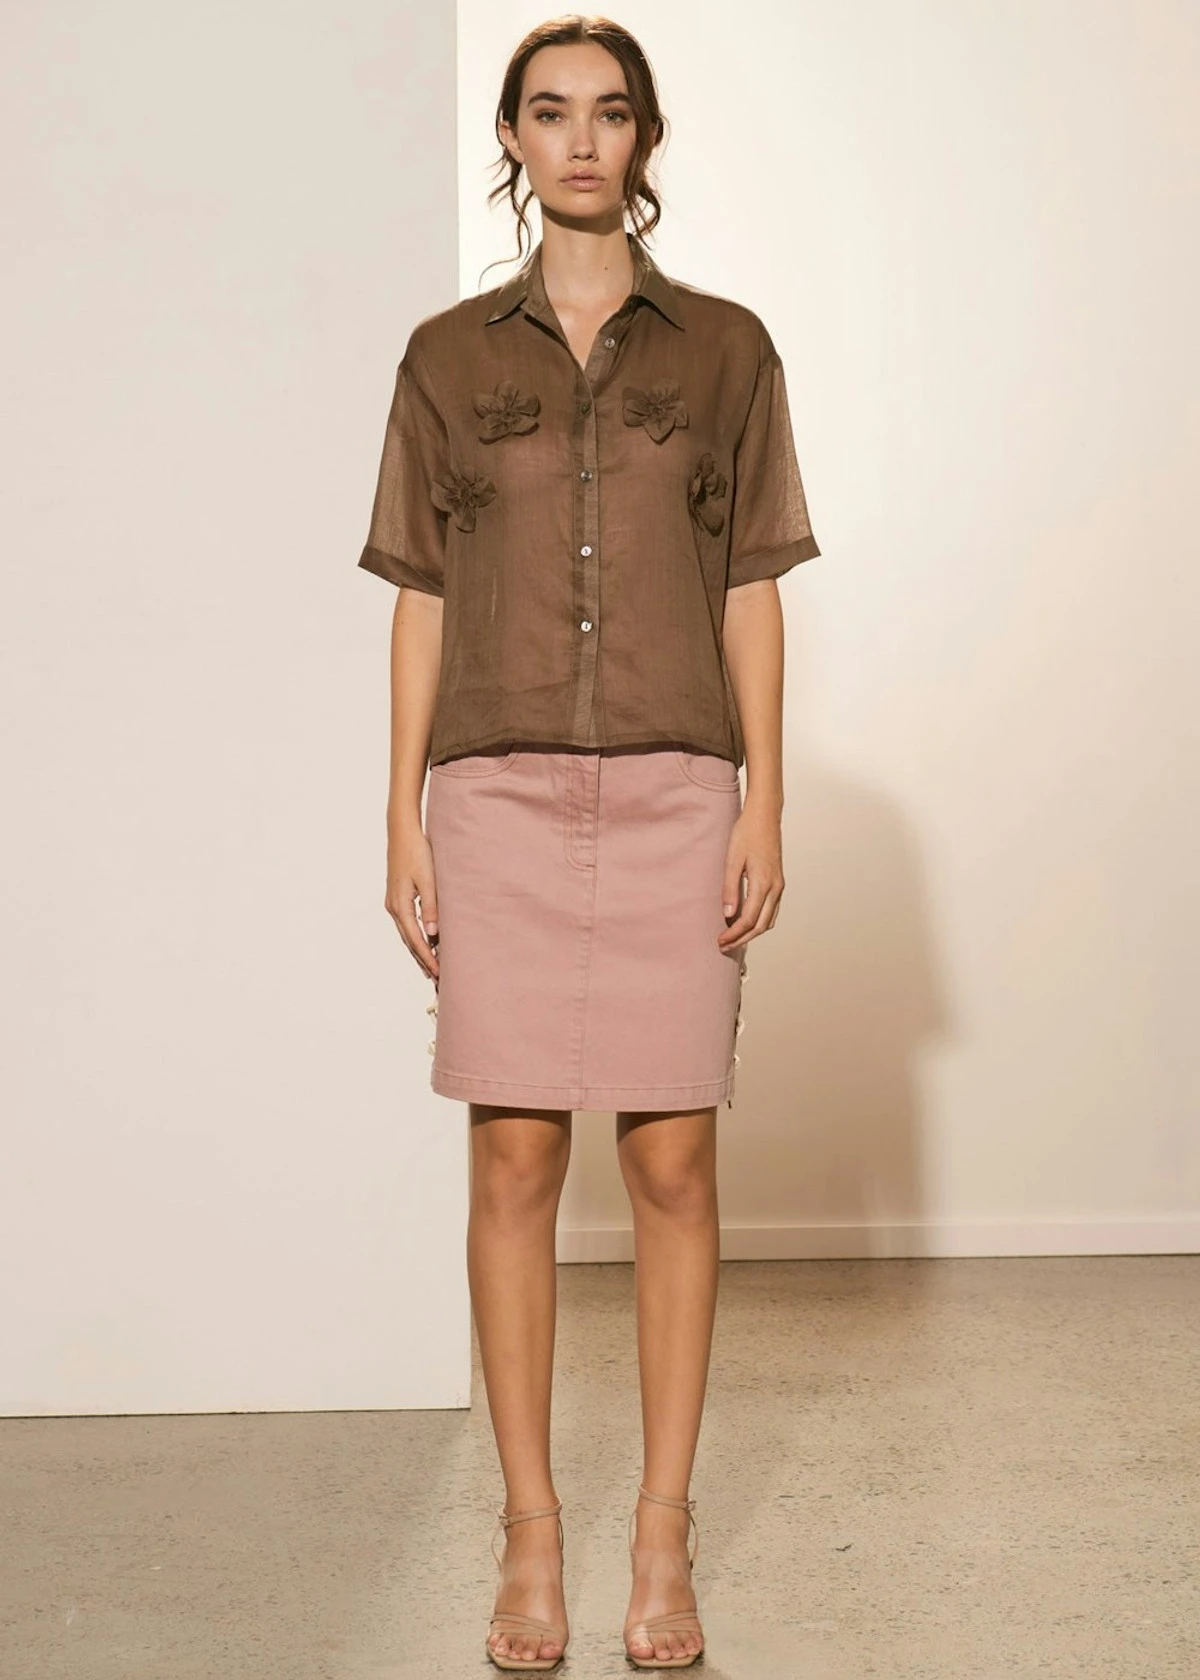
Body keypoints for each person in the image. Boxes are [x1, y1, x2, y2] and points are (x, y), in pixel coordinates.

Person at [356, 16, 821, 1672]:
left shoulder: (729, 353)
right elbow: (420, 597)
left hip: (678, 781)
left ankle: (662, 1536)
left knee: (674, 1161)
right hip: (495, 795)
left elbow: (752, 583)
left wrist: (767, 795)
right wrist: (401, 813)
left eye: (608, 113)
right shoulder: (441, 359)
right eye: (548, 112)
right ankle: (532, 1534)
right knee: (513, 1158)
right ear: (510, 136)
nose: (578, 140)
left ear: (644, 139)